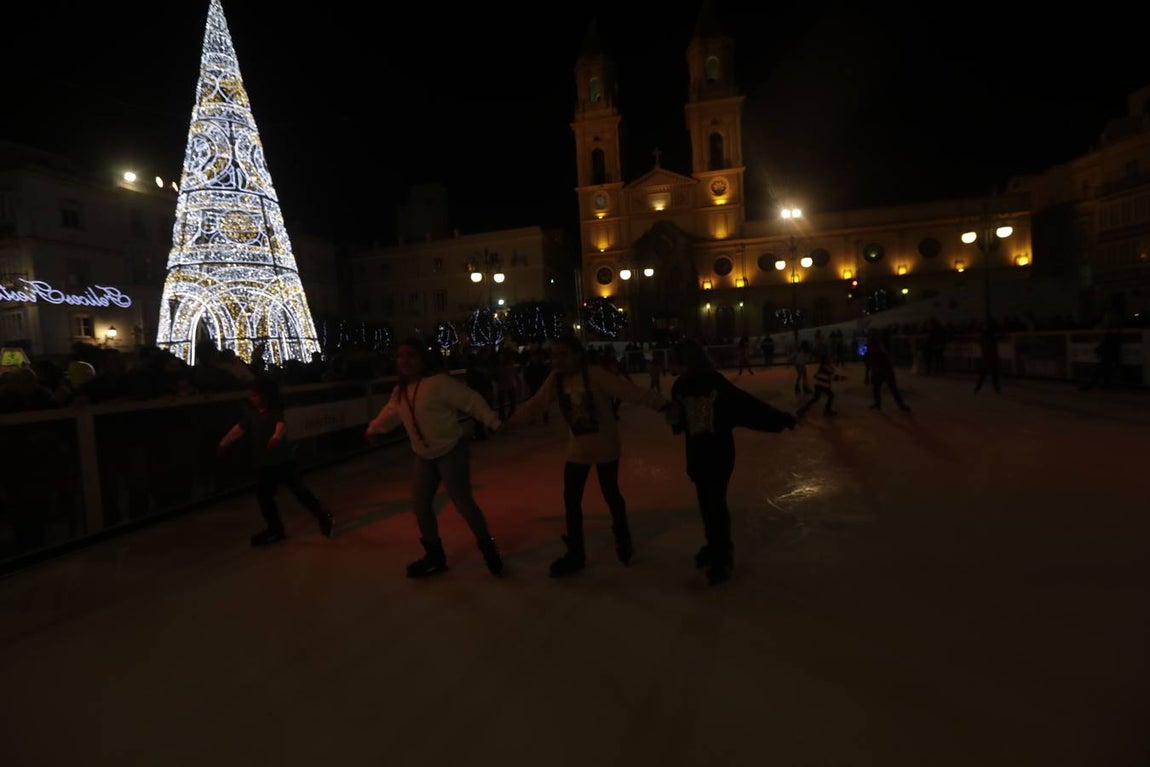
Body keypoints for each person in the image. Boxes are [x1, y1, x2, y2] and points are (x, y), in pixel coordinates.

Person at [507, 335, 670, 577]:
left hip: (605, 446)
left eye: (563, 354)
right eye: (554, 355)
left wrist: (663, 404)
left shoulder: (594, 375)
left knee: (610, 494)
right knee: (571, 501)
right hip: (578, 449)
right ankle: (576, 553)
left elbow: (629, 391)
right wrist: (508, 421)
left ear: (577, 355)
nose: (557, 360)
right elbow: (536, 404)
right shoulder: (556, 380)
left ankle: (622, 539)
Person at [365, 338, 505, 578]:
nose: (405, 361)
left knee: (463, 502)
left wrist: (493, 421)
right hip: (424, 456)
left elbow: (471, 400)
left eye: (411, 355)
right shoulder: (400, 392)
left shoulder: (438, 384)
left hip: (451, 450)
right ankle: (435, 555)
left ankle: (489, 549)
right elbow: (389, 414)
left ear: (421, 360)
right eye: (401, 356)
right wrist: (373, 429)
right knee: (420, 505)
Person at [665, 339, 797, 585]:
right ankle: (714, 545)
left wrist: (779, 419)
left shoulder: (714, 382)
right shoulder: (679, 387)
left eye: (677, 362)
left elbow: (745, 405)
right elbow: (681, 423)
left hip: (718, 453)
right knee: (706, 504)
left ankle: (722, 555)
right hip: (696, 453)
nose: (673, 367)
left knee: (714, 503)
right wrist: (674, 419)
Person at [217, 376, 334, 547]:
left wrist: (276, 437)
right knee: (265, 496)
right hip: (266, 463)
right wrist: (224, 442)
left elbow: (280, 426)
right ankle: (276, 527)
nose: (252, 398)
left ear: (265, 396)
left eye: (255, 395)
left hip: (283, 460)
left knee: (297, 491)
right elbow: (238, 430)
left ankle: (321, 515)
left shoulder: (274, 412)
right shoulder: (252, 415)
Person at [865, 334, 911, 412]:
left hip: (884, 372)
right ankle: (879, 405)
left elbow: (872, 363)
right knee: (880, 389)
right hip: (882, 372)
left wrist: (867, 375)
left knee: (890, 389)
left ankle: (898, 405)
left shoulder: (879, 352)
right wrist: (867, 375)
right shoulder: (876, 351)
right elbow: (869, 364)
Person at [974, 319, 1002, 393]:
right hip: (991, 358)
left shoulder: (985, 340)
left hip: (987, 359)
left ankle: (978, 388)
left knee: (984, 374)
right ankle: (996, 388)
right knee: (993, 374)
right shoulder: (991, 340)